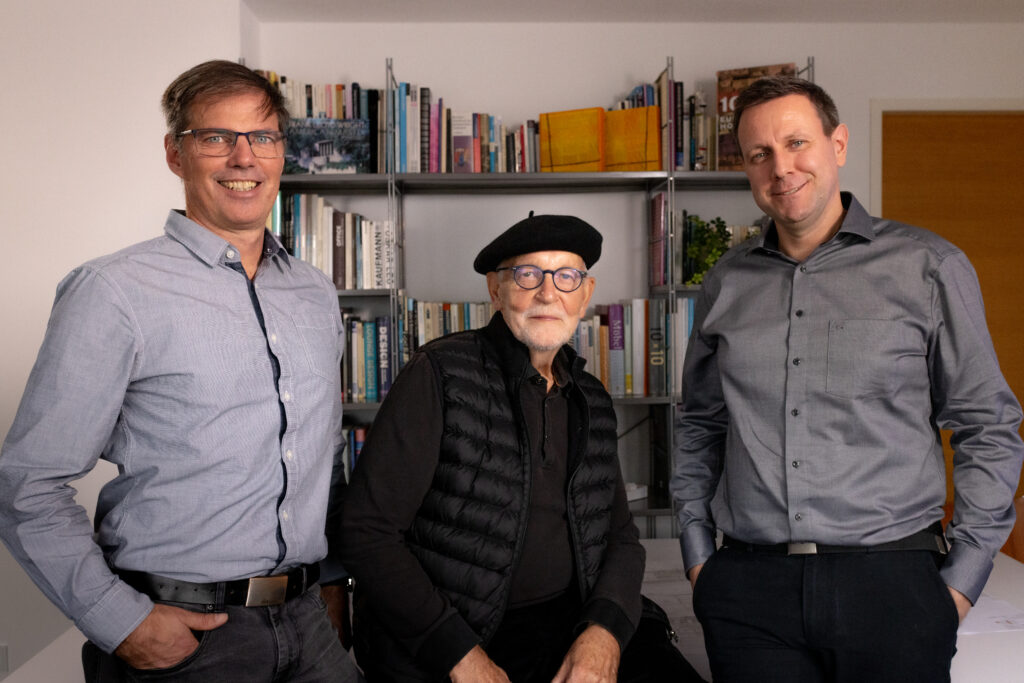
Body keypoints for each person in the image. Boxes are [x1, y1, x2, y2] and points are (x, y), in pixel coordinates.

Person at [0, 60, 360, 682]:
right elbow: (28, 483)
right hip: (186, 637)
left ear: (282, 153)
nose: (244, 157)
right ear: (175, 154)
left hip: (310, 625)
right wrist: (121, 623)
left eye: (263, 137)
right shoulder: (113, 291)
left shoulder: (315, 294)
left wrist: (330, 587)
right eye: (216, 137)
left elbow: (319, 459)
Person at [671, 75, 1024, 682]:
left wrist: (960, 583)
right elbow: (699, 424)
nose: (781, 168)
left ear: (837, 144)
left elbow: (988, 425)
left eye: (796, 143)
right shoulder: (725, 282)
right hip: (749, 591)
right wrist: (700, 558)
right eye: (760, 154)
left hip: (894, 586)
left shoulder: (929, 266)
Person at [338, 214, 646, 683]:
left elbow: (621, 537)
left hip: (568, 626)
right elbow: (367, 533)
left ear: (585, 295)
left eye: (566, 276)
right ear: (496, 291)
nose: (548, 294)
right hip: (452, 639)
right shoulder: (439, 373)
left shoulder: (592, 398)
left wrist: (604, 631)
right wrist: (461, 657)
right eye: (527, 275)